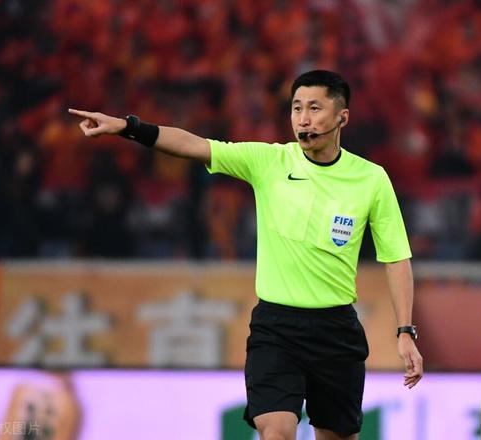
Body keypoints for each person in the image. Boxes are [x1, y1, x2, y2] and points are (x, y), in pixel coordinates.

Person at [69, 70, 423, 440]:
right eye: (297, 108)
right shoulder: (268, 161)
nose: (303, 119)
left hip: (336, 331)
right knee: (276, 432)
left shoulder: (370, 179)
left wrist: (405, 331)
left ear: (342, 117)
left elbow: (396, 257)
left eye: (315, 108)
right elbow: (194, 145)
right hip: (276, 327)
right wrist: (128, 127)